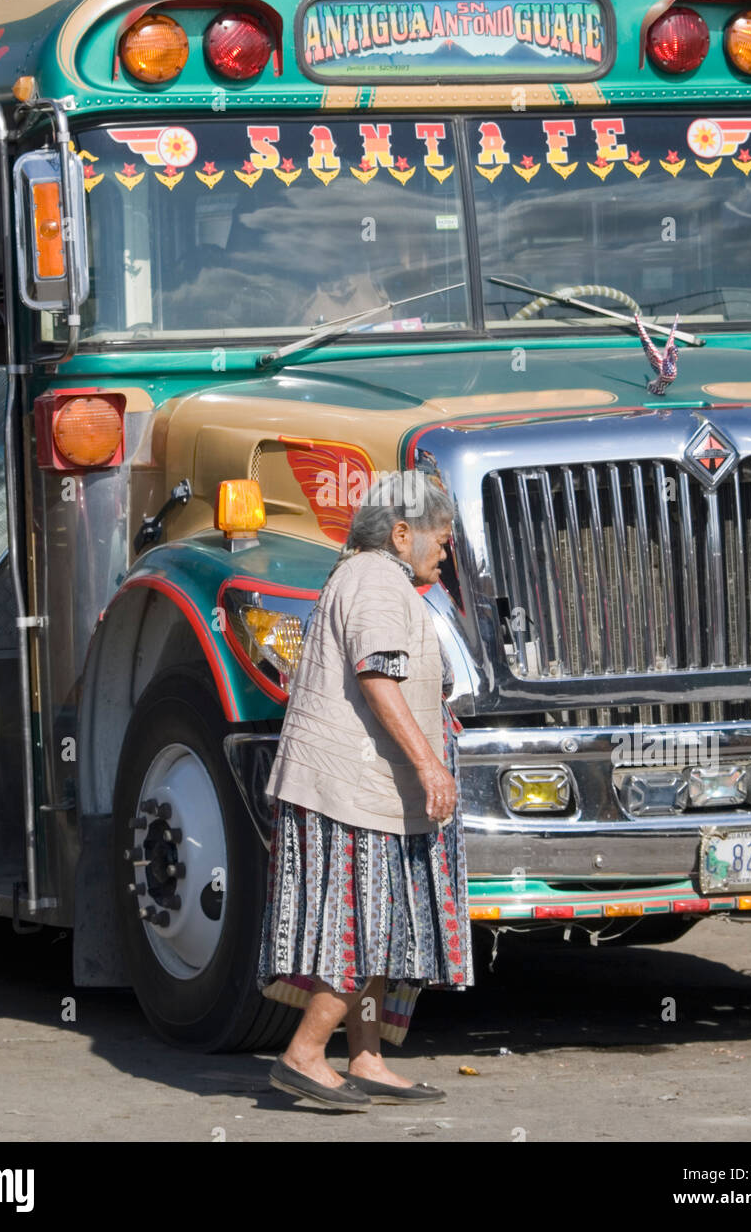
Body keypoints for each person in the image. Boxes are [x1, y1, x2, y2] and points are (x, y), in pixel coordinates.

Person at [257, 469, 473, 1110]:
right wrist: (433, 768)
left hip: (365, 788)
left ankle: (367, 1056)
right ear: (402, 533)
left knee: (381, 924)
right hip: (347, 787)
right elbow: (378, 678)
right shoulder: (377, 579)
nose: (446, 548)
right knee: (359, 926)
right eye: (440, 535)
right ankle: (303, 1053)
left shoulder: (378, 578)